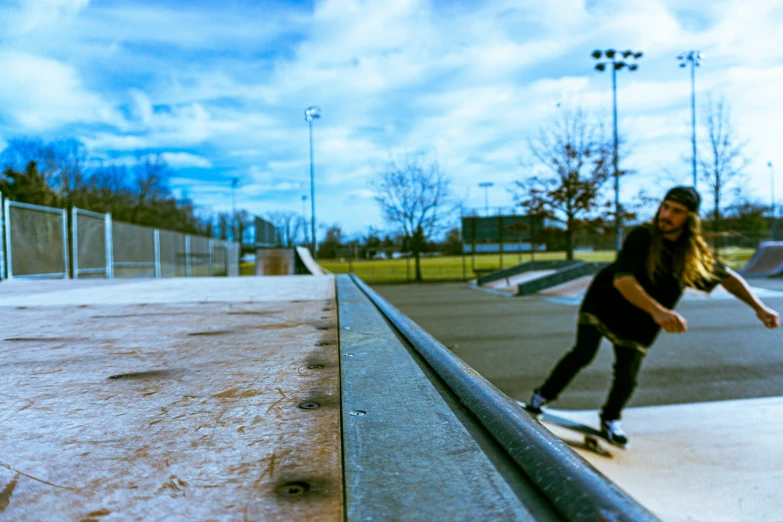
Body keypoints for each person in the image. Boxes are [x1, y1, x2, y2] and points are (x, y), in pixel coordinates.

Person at [525, 186, 780, 445]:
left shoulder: (690, 253)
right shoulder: (642, 236)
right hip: (605, 303)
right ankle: (540, 397)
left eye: (676, 211)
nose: (666, 214)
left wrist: (759, 307)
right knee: (583, 353)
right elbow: (623, 281)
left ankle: (610, 419)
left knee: (627, 374)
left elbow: (727, 278)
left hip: (640, 319)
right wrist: (659, 311)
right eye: (665, 207)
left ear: (690, 218)